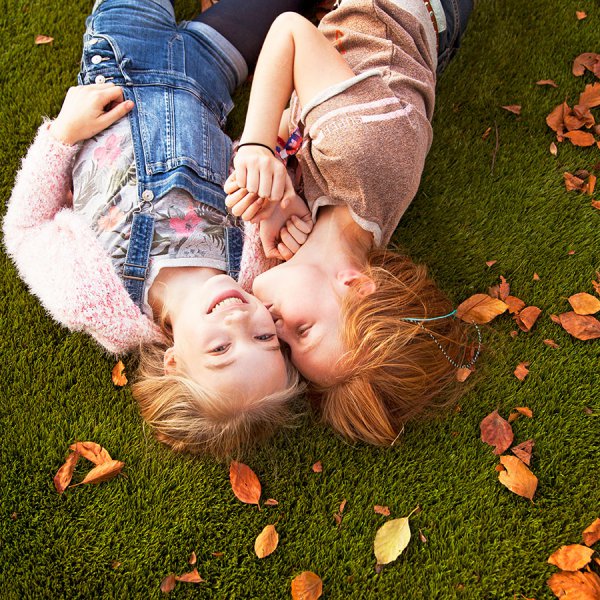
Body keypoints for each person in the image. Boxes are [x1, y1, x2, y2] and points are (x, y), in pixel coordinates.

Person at [2, 0, 314, 459]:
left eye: (221, 348)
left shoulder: (94, 297)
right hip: (206, 74)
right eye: (266, 338)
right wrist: (280, 199)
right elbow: (283, 169)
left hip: (121, 59)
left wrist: (62, 136)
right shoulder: (257, 262)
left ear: (174, 362)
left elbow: (24, 229)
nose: (241, 320)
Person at [225, 0, 476, 446]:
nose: (274, 326)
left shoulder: (349, 223)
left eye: (287, 347)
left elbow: (300, 121)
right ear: (357, 286)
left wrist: (283, 185)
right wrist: (259, 148)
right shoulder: (357, 152)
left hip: (425, 37)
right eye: (303, 331)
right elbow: (289, 33)